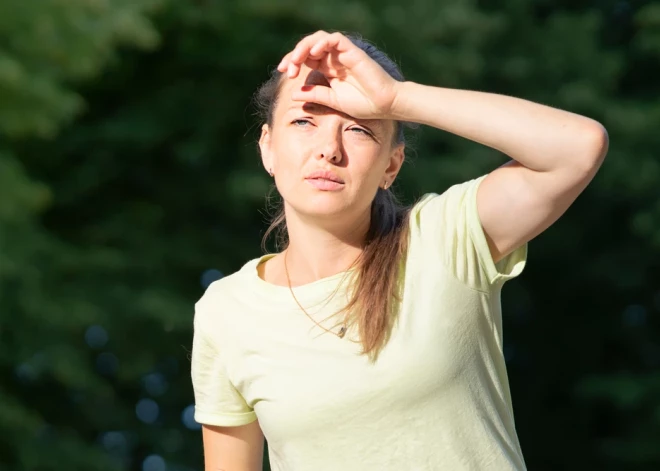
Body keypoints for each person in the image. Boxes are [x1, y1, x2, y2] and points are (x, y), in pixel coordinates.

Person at [190, 31, 608, 471]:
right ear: (267, 148)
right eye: (303, 122)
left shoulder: (445, 239)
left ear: (391, 165)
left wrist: (394, 98)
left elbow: (578, 147)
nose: (329, 150)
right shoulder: (226, 311)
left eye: (357, 129)